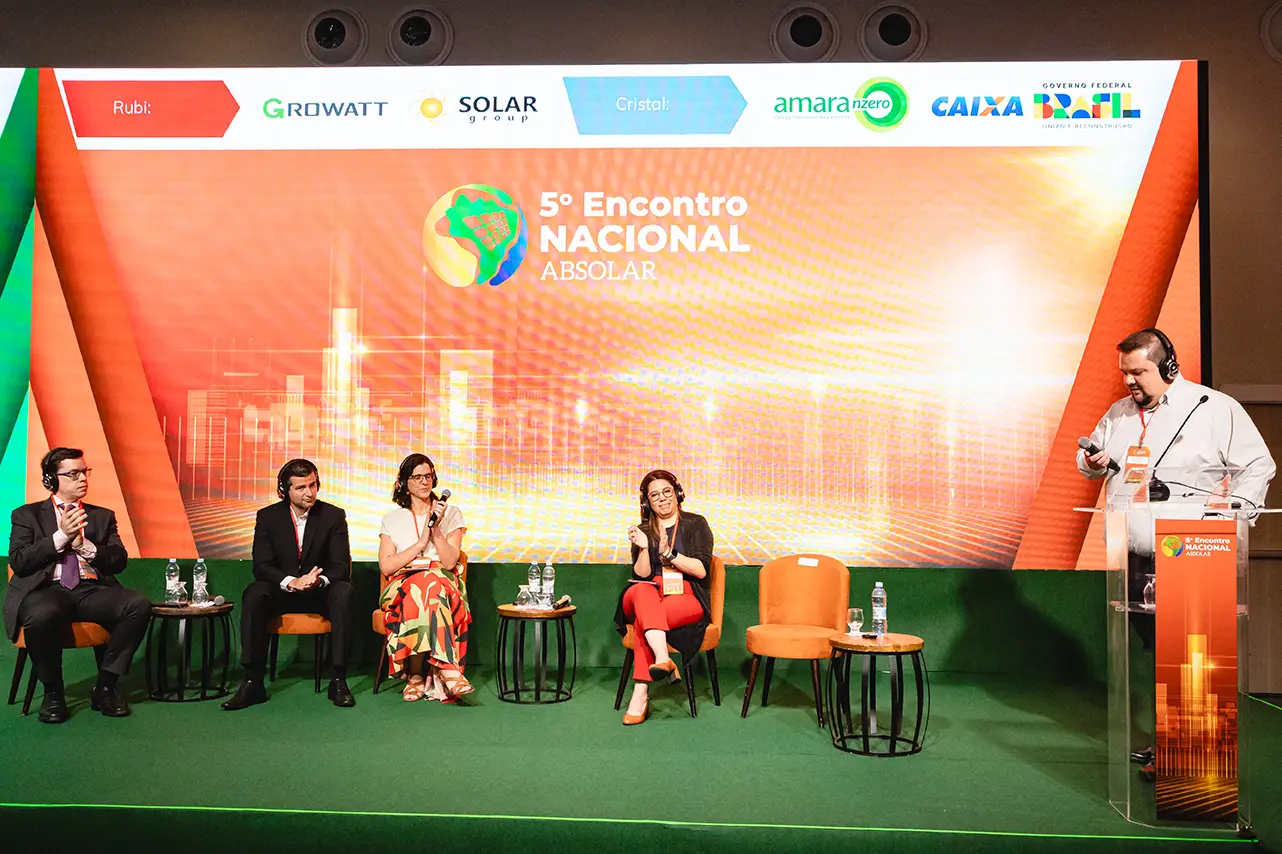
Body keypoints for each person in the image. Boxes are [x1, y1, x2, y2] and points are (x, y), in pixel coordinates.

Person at [1077, 328, 1275, 775]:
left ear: (1168, 366)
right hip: (1135, 556)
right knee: (1162, 652)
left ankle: (1190, 757)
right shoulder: (1119, 414)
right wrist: (1091, 462)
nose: (1129, 381)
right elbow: (1092, 463)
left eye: (1139, 372)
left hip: (1193, 553)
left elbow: (1258, 465)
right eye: (1125, 373)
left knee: (1192, 655)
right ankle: (1171, 744)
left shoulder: (1212, 408)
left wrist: (1235, 515)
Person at [5, 448, 149, 723]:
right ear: (51, 479)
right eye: (73, 474)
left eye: (85, 472)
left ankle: (105, 687)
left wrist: (85, 546)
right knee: (42, 613)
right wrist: (60, 537)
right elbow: (20, 561)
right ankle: (53, 694)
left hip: (89, 590)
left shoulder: (102, 516)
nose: (83, 478)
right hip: (46, 590)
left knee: (137, 605)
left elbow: (118, 561)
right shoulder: (27, 515)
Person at [222, 459, 355, 710]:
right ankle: (252, 681)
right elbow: (262, 566)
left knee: (344, 592)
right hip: (284, 592)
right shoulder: (268, 517)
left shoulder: (333, 516)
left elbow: (340, 566)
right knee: (255, 592)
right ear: (285, 490)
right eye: (301, 487)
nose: (310, 492)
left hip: (319, 592)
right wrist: (291, 581)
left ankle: (338, 680)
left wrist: (318, 580)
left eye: (313, 485)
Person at [613, 469, 714, 726]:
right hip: (647, 591)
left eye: (667, 491)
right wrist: (644, 548)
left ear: (678, 493)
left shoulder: (696, 524)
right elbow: (641, 575)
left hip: (685, 592)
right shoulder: (644, 530)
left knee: (644, 621)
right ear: (647, 502)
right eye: (654, 495)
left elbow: (701, 570)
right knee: (640, 590)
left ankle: (640, 693)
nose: (662, 498)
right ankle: (662, 659)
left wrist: (669, 554)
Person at [377, 453, 472, 702]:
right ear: (404, 483)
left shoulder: (452, 514)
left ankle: (415, 675)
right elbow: (387, 566)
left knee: (429, 584)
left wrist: (435, 527)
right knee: (423, 585)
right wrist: (420, 544)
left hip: (442, 581)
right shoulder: (391, 519)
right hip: (402, 583)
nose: (424, 481)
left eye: (428, 476)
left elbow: (450, 562)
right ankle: (447, 668)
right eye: (417, 477)